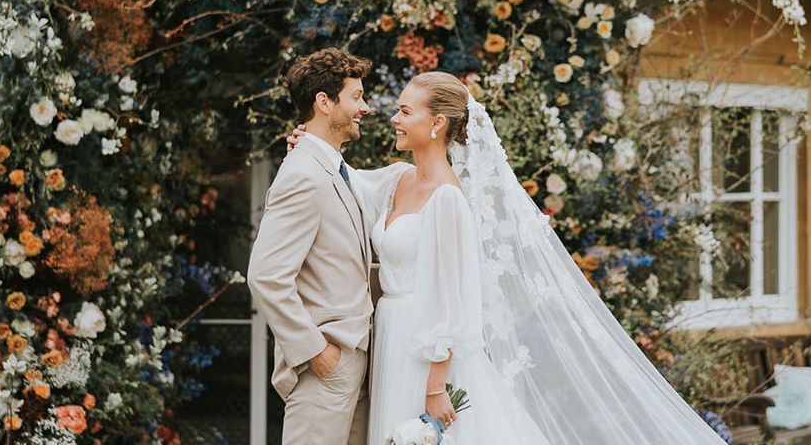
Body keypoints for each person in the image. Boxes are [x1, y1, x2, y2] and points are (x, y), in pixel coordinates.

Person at [291, 70, 729, 445]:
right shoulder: (399, 181)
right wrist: (309, 144)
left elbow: (455, 301)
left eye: (406, 111)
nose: (394, 118)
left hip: (424, 358)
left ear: (438, 123)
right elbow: (344, 180)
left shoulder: (448, 200)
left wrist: (435, 387)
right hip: (391, 337)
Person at [247, 48, 374, 445]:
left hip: (352, 364)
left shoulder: (330, 167)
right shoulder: (302, 174)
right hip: (325, 367)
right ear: (324, 102)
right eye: (356, 96)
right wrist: (315, 352)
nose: (365, 107)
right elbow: (266, 275)